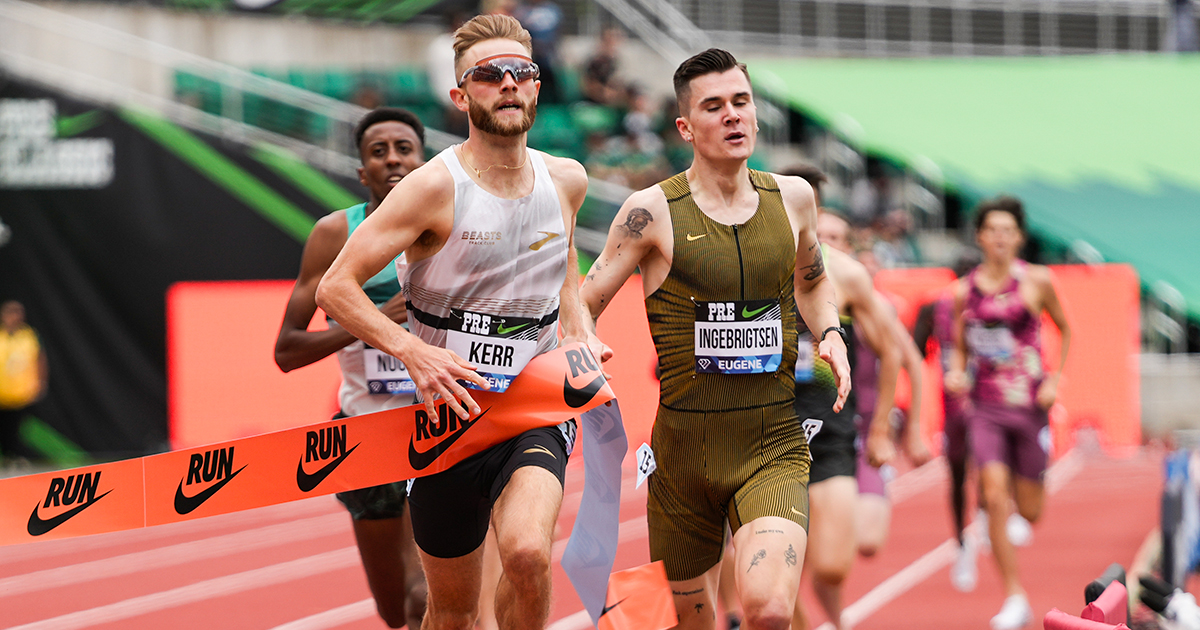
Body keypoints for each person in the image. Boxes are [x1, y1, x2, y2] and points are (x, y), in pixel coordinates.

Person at [316, 14, 591, 630]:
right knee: (454, 614)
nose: (509, 85)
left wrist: (580, 332)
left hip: (533, 407)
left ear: (538, 87)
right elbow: (336, 288)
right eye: (491, 75)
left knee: (526, 553)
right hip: (447, 421)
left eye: (523, 72)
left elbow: (565, 258)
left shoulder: (566, 180)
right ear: (461, 95)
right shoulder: (430, 188)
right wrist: (413, 351)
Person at [579, 48, 851, 630]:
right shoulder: (650, 212)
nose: (732, 116)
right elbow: (583, 304)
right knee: (690, 622)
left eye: (741, 102)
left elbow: (815, 280)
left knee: (769, 608)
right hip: (683, 454)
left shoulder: (794, 197)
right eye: (714, 106)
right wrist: (584, 350)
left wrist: (831, 332)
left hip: (771, 441)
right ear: (685, 126)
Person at [274, 107, 428, 629]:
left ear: (424, 161)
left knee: (425, 598)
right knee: (393, 611)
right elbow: (287, 351)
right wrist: (371, 322)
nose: (393, 160)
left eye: (403, 149)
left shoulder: (457, 227)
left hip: (441, 427)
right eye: (378, 152)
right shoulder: (334, 234)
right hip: (365, 435)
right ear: (362, 171)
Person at [945, 196, 1070, 630]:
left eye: (1008, 230)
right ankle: (1014, 595)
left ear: (1019, 237)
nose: (999, 238)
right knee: (993, 496)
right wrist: (958, 373)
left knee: (1031, 512)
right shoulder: (964, 291)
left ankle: (1021, 504)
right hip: (986, 408)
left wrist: (1054, 380)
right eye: (991, 230)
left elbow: (1066, 328)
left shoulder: (1037, 281)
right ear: (979, 237)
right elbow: (960, 345)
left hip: (1030, 406)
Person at [790, 217, 902, 630]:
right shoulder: (760, 265)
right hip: (773, 436)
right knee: (771, 577)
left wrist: (880, 430)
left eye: (836, 236)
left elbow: (892, 352)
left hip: (832, 435)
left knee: (833, 567)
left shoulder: (847, 277)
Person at [814, 210, 931, 559]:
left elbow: (910, 362)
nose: (825, 246)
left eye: (835, 239)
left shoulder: (876, 307)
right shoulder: (793, 292)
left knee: (865, 540)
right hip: (807, 424)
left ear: (847, 247)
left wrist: (910, 433)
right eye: (820, 237)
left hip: (861, 427)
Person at [912, 250, 981, 591]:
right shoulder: (936, 307)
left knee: (990, 466)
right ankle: (962, 543)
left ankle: (987, 519)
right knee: (957, 477)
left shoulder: (997, 309)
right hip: (954, 408)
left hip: (990, 405)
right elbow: (916, 350)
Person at [0, 300, 47, 465]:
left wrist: (41, 382)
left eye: (17, 313)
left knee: (17, 428)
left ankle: (14, 457)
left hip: (21, 394)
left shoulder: (30, 335)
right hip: (1, 393)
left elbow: (40, 359)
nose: (13, 317)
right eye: (10, 312)